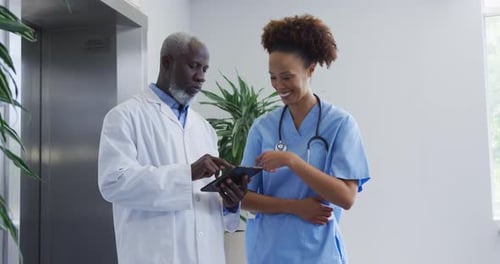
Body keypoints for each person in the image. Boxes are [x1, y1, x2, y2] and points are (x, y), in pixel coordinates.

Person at [98, 32, 248, 264]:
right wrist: (187, 173)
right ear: (167, 63)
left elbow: (202, 203)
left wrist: (229, 203)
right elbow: (113, 183)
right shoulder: (124, 117)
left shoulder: (204, 128)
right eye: (193, 66)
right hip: (154, 255)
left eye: (205, 69)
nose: (200, 77)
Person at [241, 14, 371, 264]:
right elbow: (245, 197)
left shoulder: (340, 125)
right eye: (272, 77)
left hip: (318, 253)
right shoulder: (262, 128)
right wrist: (294, 206)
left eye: (287, 76)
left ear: (311, 70)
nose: (278, 85)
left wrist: (292, 161)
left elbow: (346, 197)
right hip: (267, 252)